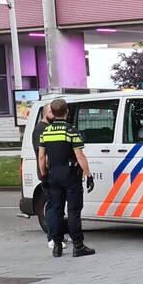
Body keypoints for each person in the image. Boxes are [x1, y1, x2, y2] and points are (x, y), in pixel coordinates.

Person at [38, 99, 95, 258]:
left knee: (56, 210)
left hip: (53, 175)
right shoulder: (71, 131)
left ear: (53, 113)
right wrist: (88, 175)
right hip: (70, 176)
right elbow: (80, 156)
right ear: (67, 112)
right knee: (73, 211)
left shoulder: (46, 132)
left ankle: (57, 246)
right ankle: (78, 246)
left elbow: (42, 157)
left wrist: (43, 175)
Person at [31, 102, 61, 249]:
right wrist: (44, 172)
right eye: (51, 111)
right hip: (47, 173)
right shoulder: (40, 129)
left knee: (57, 205)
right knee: (51, 206)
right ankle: (51, 237)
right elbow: (42, 154)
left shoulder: (49, 127)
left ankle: (57, 235)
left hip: (53, 172)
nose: (54, 114)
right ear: (44, 112)